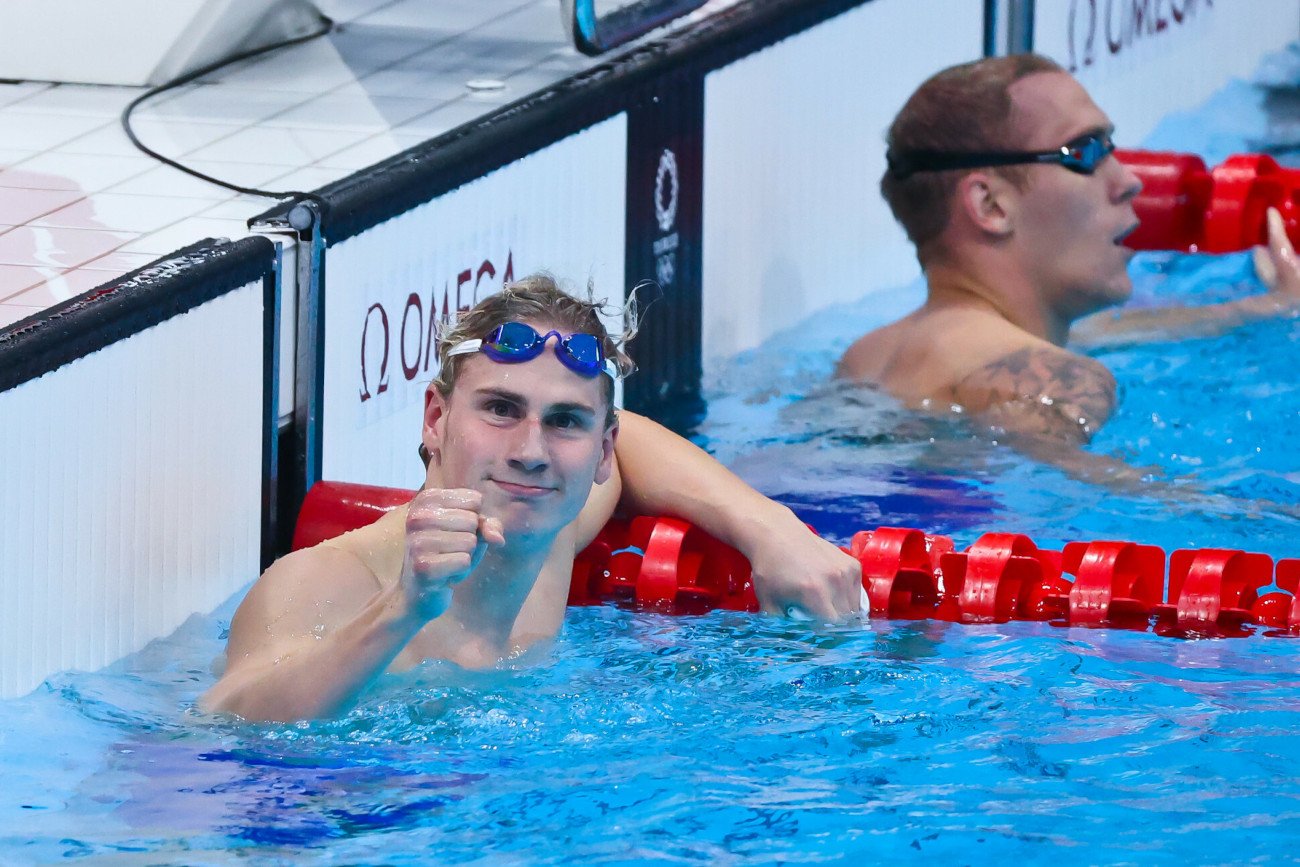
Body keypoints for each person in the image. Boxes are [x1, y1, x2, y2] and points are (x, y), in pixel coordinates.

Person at [204, 274, 864, 722]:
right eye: (500, 408)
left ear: (600, 451)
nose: (531, 450)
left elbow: (629, 434)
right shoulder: (326, 583)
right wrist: (401, 610)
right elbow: (230, 721)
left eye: (564, 420)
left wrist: (771, 529)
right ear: (435, 418)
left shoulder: (551, 529)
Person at [837, 54, 1300, 454]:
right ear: (991, 205)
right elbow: (1091, 504)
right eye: (1084, 152)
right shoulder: (1061, 382)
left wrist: (1275, 304)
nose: (1130, 181)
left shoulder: (867, 358)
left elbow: (1099, 332)